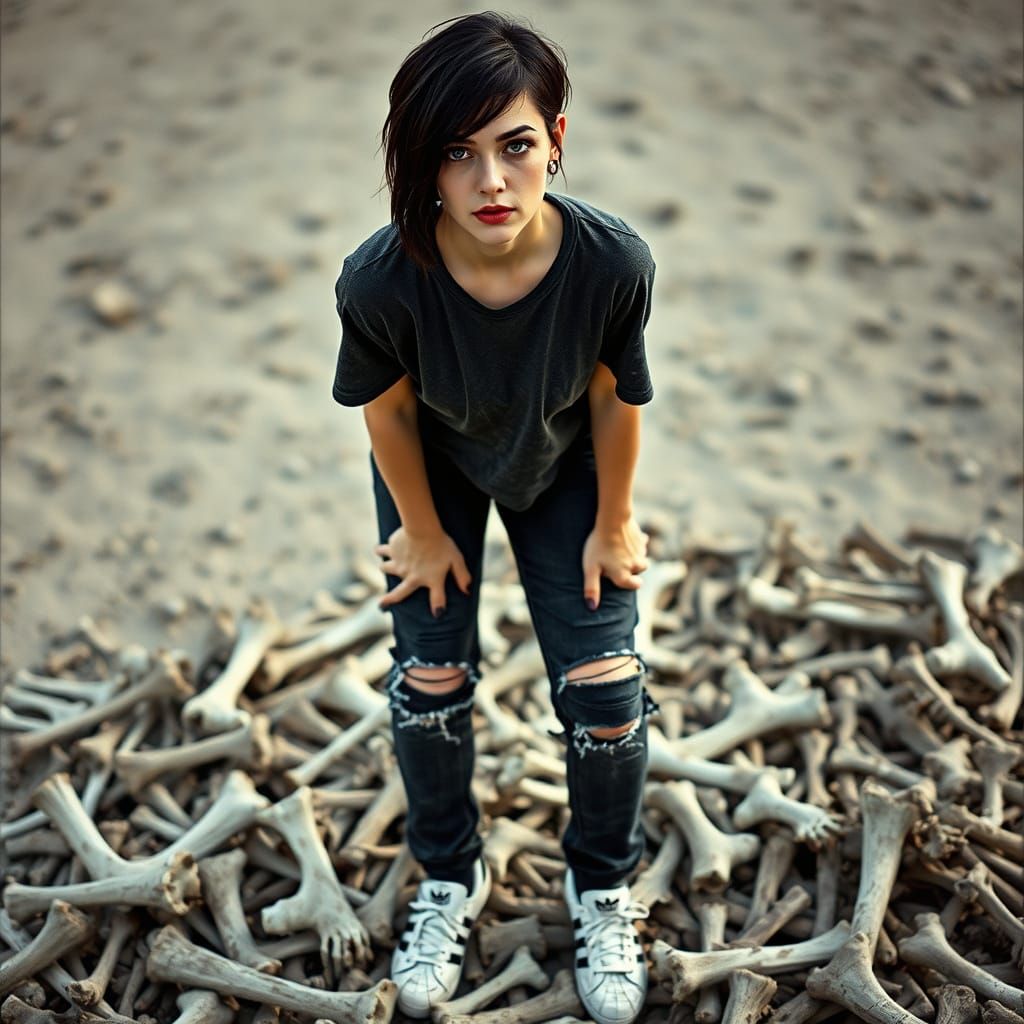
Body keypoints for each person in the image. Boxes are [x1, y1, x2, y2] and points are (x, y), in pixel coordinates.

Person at [331, 12, 657, 1023]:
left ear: (556, 137)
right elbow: (385, 411)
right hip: (431, 473)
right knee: (430, 677)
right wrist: (421, 532)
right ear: (423, 161)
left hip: (562, 466)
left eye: (515, 146)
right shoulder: (380, 280)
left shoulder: (612, 263)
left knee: (606, 686)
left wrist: (614, 522)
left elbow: (614, 396)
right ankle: (447, 874)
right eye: (457, 154)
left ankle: (600, 885)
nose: (491, 183)